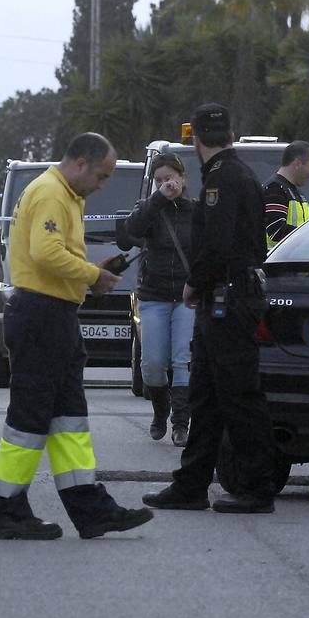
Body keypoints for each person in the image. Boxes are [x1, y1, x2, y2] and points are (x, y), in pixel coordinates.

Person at [0, 133, 155, 540]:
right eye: (101, 175)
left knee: (68, 420)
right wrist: (94, 274)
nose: (103, 184)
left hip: (53, 316)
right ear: (80, 162)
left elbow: (52, 254)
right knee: (30, 420)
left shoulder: (63, 195)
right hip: (42, 316)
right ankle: (7, 509)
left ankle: (91, 508)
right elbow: (45, 253)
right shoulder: (50, 193)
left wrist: (89, 270)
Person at [144, 103, 276, 514]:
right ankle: (192, 483)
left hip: (227, 298)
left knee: (238, 395)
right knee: (205, 395)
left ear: (195, 139)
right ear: (231, 135)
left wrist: (193, 284)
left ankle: (257, 487)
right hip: (225, 297)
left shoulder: (223, 179)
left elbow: (217, 245)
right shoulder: (238, 174)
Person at [125, 152, 196, 446]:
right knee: (152, 362)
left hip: (186, 296)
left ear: (182, 178)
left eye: (170, 178)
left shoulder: (196, 211)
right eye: (159, 180)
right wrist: (157, 200)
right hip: (153, 296)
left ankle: (181, 422)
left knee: (183, 359)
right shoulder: (149, 209)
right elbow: (132, 230)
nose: (166, 184)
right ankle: (159, 409)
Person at [263, 140, 309, 250]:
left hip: (290, 259)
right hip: (275, 261)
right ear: (298, 164)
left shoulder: (295, 192)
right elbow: (276, 231)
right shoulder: (275, 189)